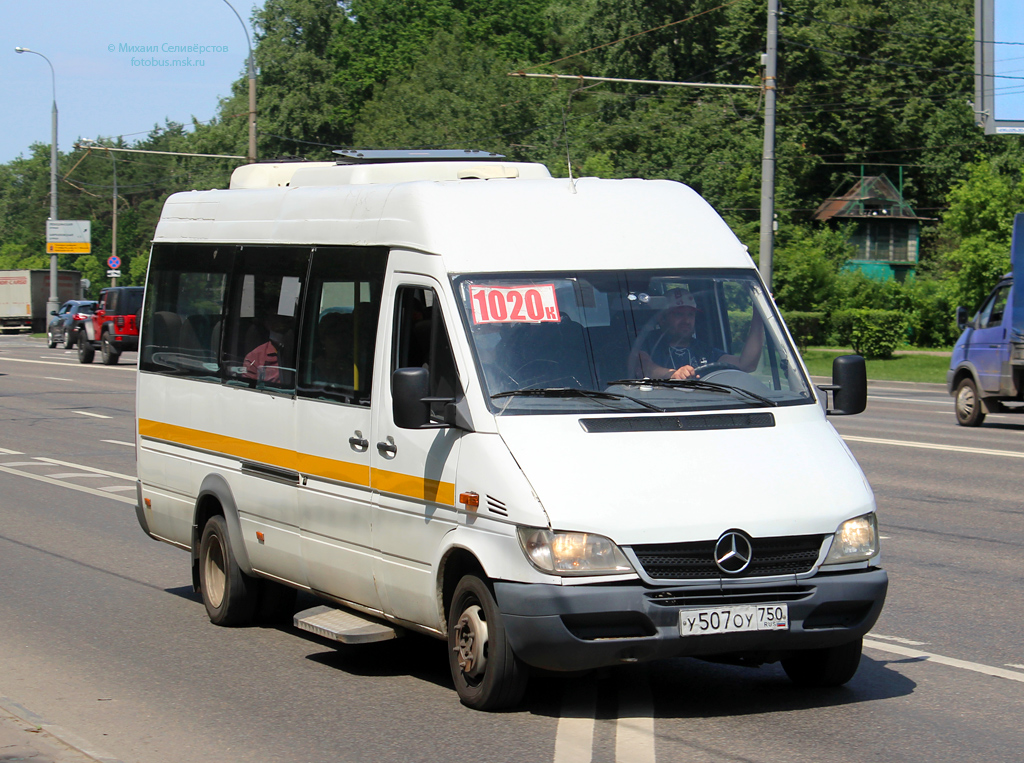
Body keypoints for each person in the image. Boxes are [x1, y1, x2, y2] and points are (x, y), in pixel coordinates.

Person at [628, 288, 763, 380]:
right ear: (662, 319)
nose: (686, 320)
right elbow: (644, 368)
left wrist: (759, 315)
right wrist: (674, 375)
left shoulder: (703, 350)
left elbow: (746, 365)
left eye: (690, 314)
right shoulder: (646, 341)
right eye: (678, 314)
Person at [243, 312, 293, 383]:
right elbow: (248, 389)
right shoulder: (254, 357)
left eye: (283, 319)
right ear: (267, 324)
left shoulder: (304, 355)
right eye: (274, 318)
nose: (279, 323)